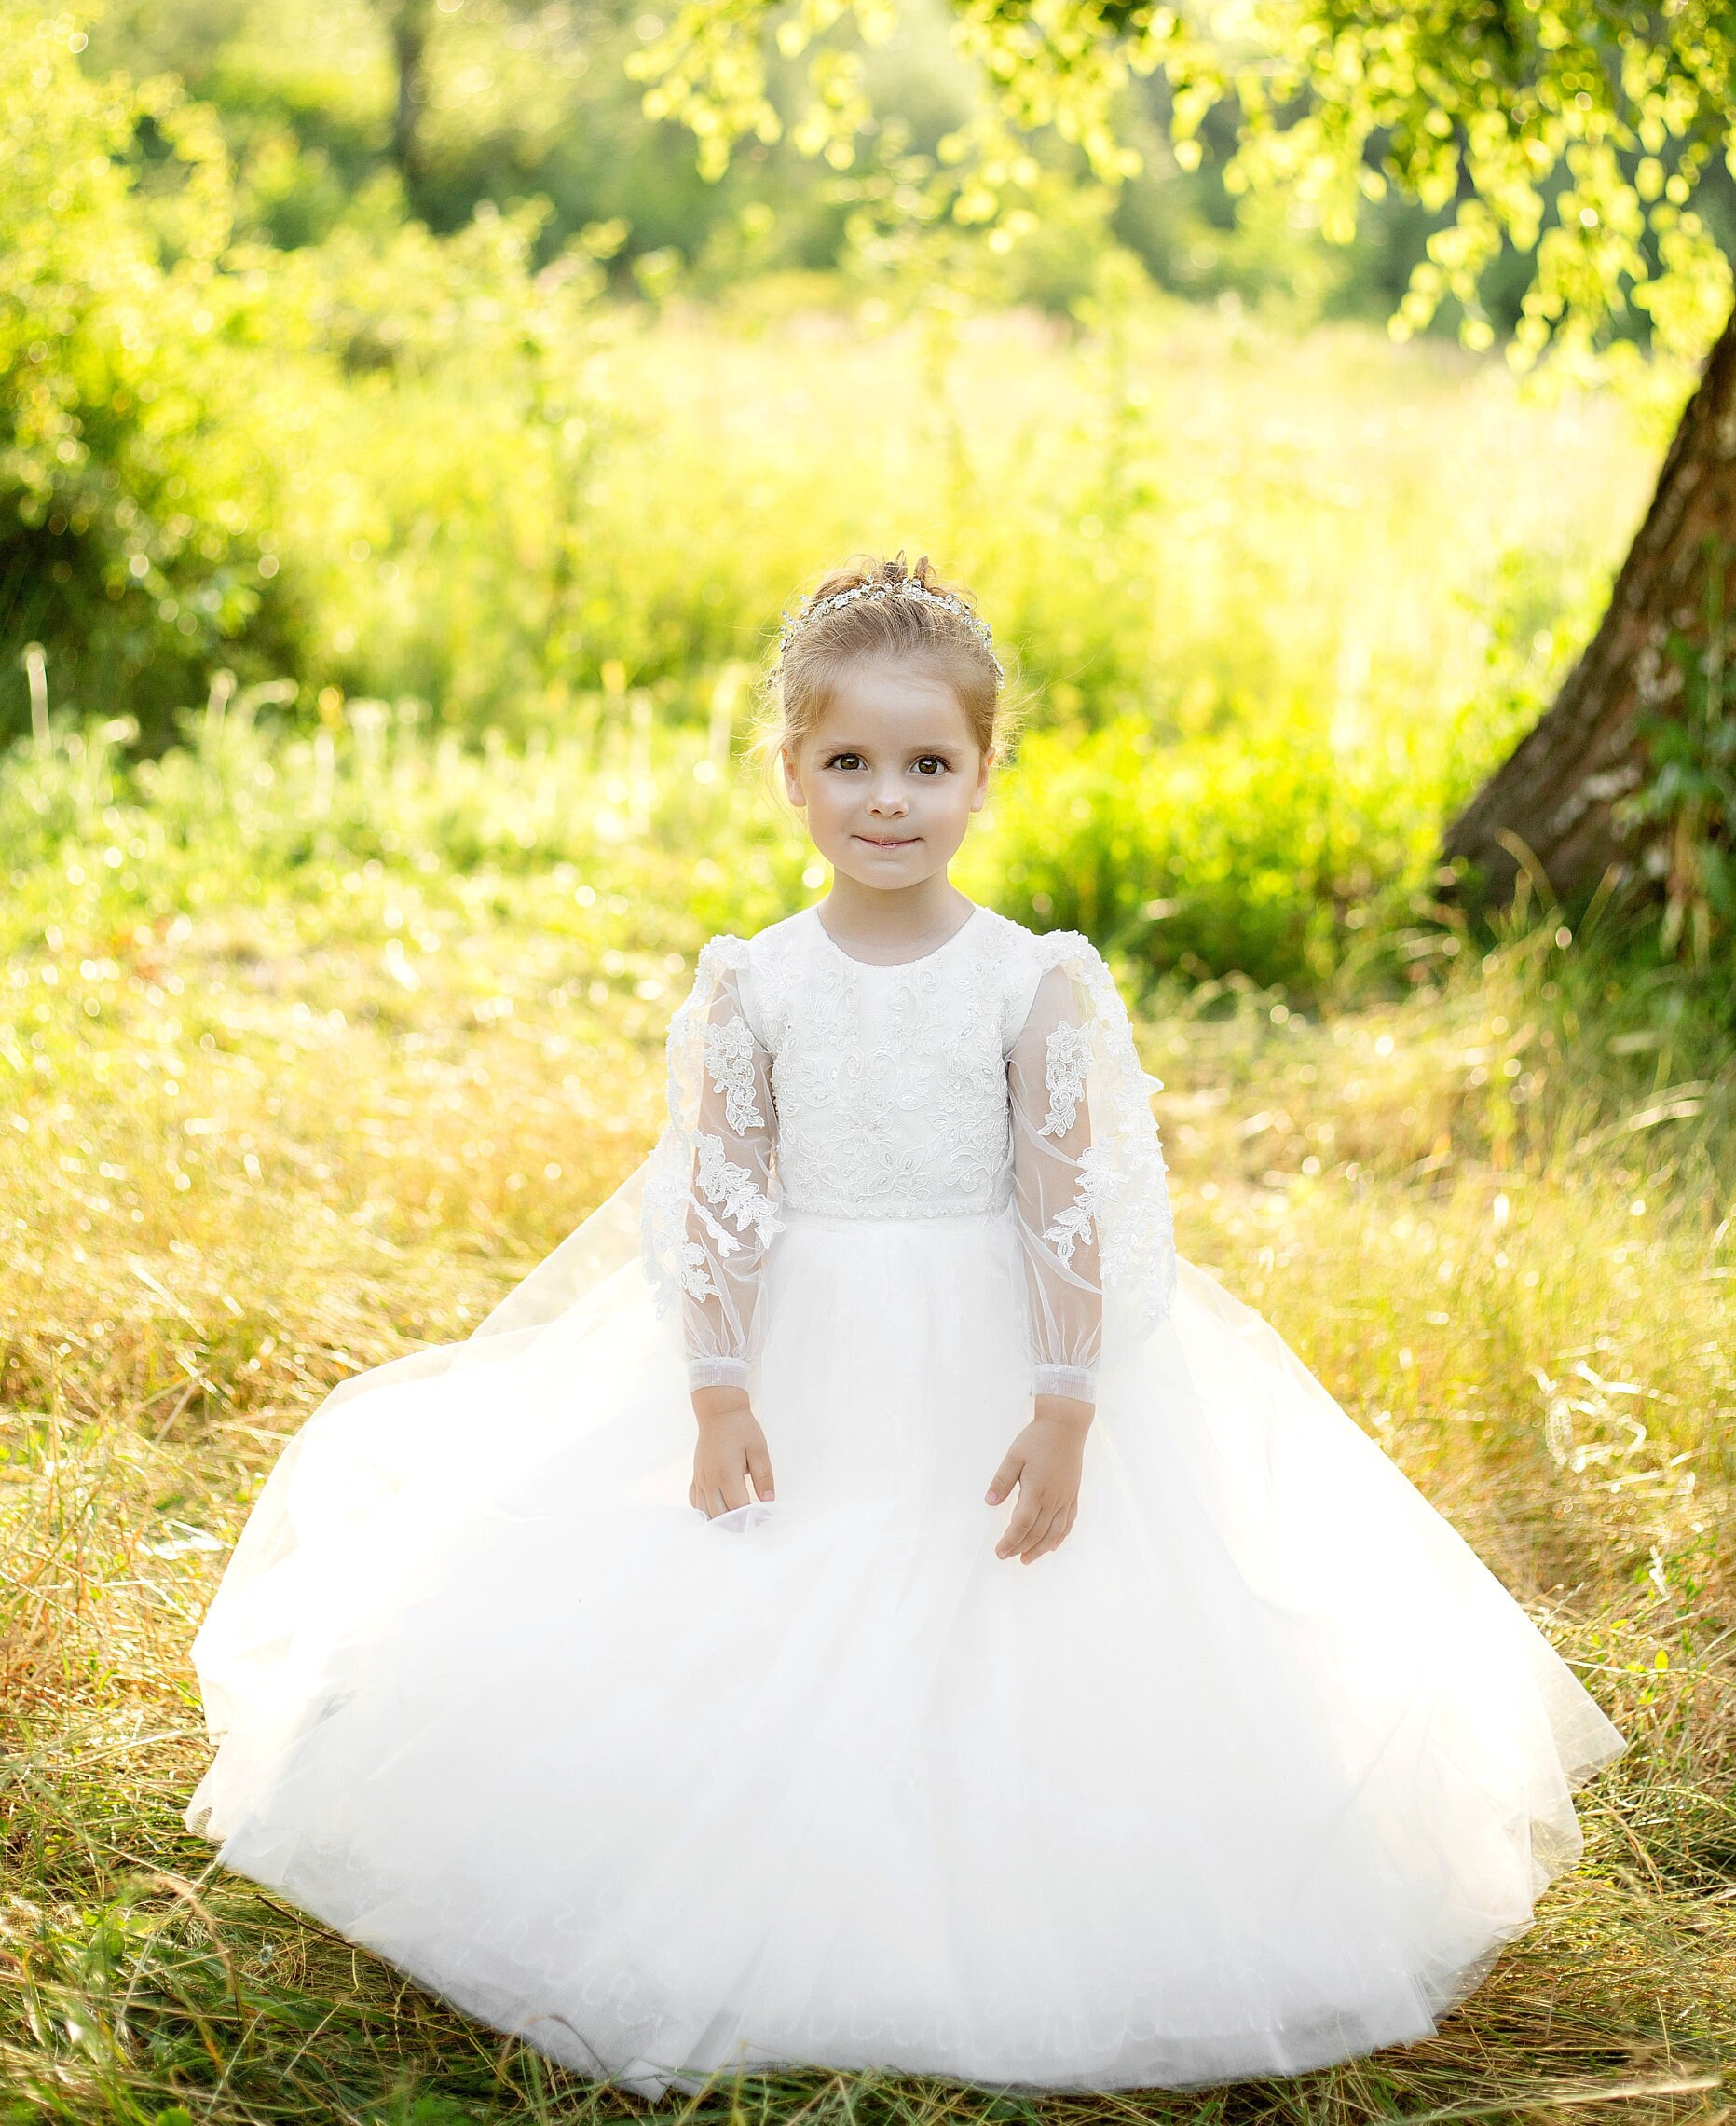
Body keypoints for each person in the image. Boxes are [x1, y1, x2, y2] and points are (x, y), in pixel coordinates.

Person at [187, 555, 1621, 2095]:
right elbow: (721, 1198)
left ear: (982, 774)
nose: (890, 799)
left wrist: (1069, 1402)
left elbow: (1073, 1207)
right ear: (791, 775)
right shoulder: (757, 983)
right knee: (757, 1585)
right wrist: (721, 1388)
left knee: (1020, 1614)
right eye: (851, 764)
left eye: (929, 764)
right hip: (805, 1349)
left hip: (995, 1360)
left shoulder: (1032, 983)